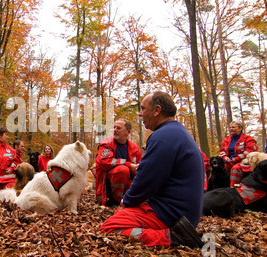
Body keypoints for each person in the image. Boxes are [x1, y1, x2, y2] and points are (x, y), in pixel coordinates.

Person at [100, 91, 204, 248]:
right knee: (120, 212)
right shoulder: (175, 132)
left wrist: (126, 201)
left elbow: (147, 178)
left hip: (171, 212)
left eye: (143, 109)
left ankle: (172, 237)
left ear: (157, 110)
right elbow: (102, 161)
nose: (140, 114)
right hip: (179, 209)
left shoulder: (162, 136)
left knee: (110, 227)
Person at [95, 119, 142, 206]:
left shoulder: (135, 148)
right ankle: (115, 201)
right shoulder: (107, 143)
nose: (115, 130)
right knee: (123, 170)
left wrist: (137, 169)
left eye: (118, 128)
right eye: (114, 127)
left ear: (127, 132)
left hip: (128, 181)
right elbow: (104, 161)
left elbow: (140, 165)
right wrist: (128, 164)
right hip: (107, 182)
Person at [219, 120, 258, 187]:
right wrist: (225, 157)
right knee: (219, 169)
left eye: (233, 127)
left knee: (235, 169)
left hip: (244, 162)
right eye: (230, 127)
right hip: (229, 162)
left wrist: (237, 158)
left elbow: (250, 151)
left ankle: (233, 189)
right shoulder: (227, 139)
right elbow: (222, 151)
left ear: (240, 128)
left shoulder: (248, 139)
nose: (231, 129)